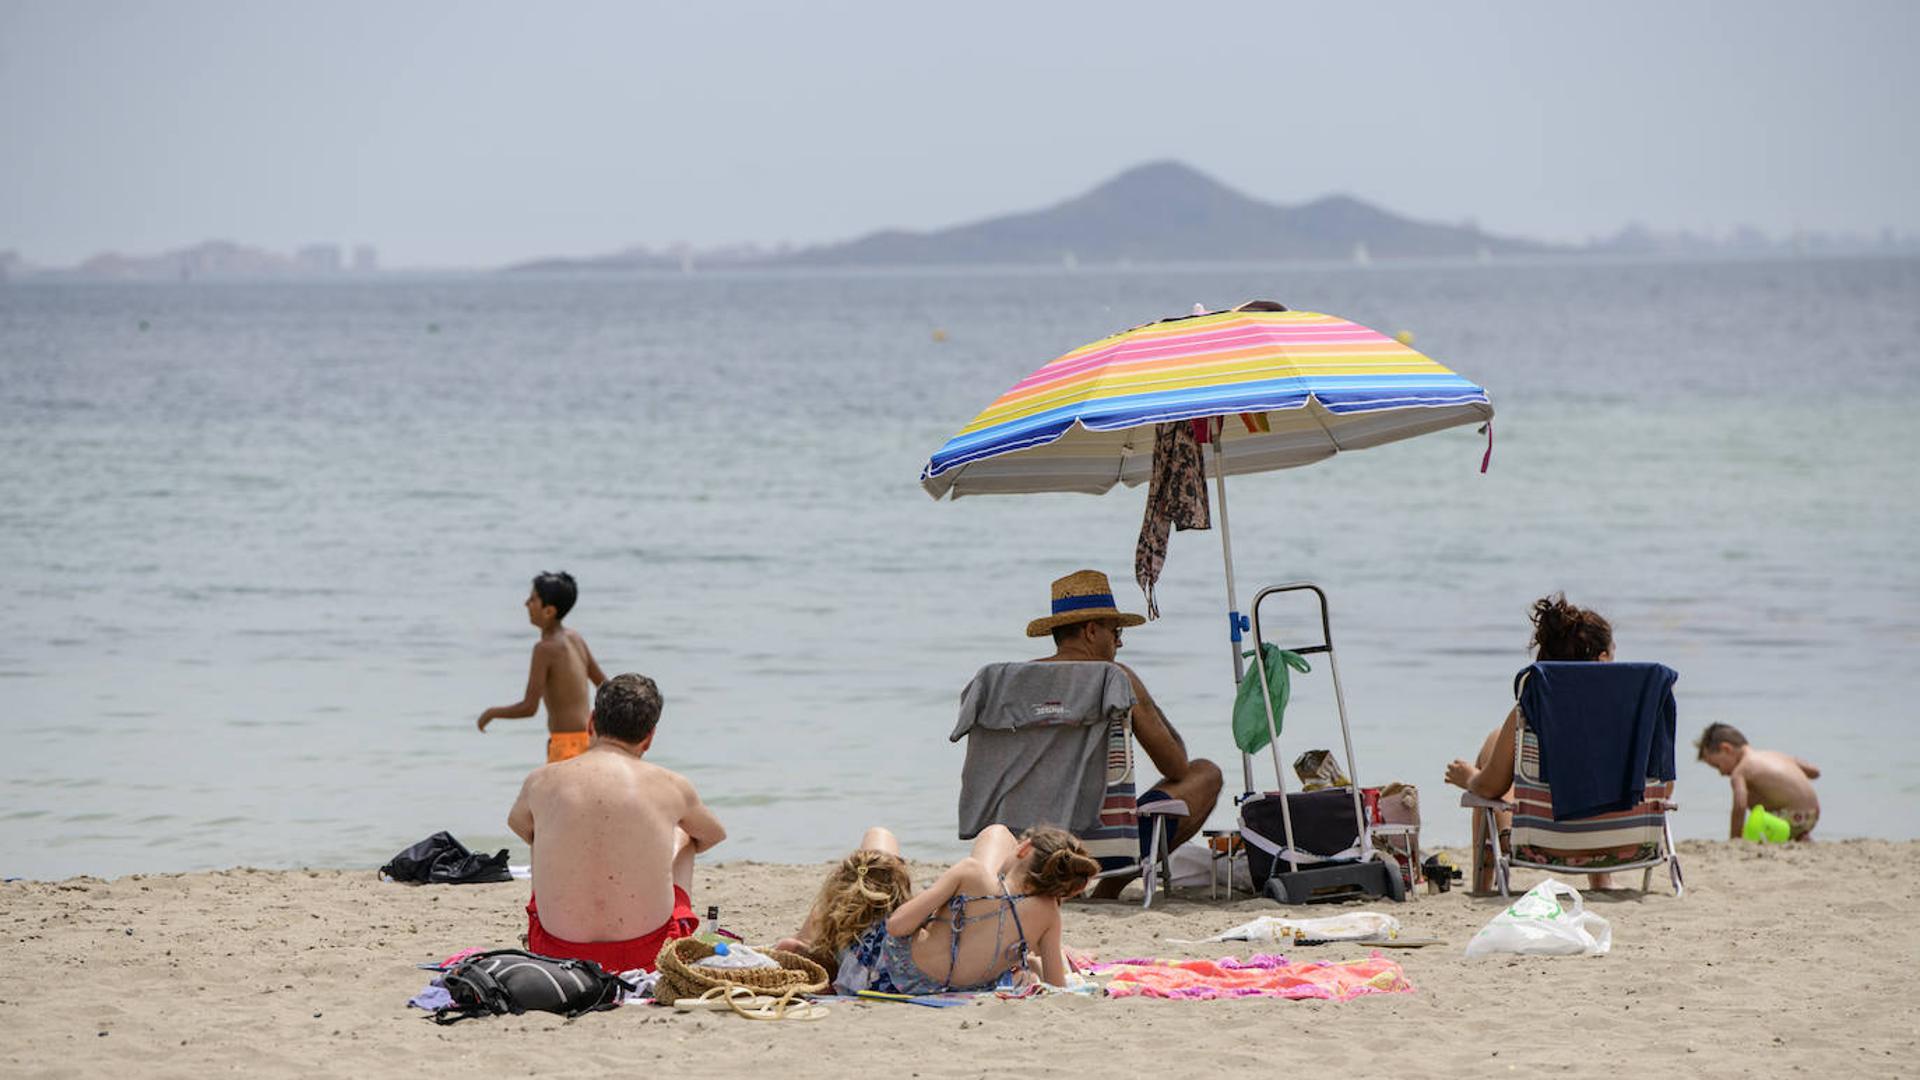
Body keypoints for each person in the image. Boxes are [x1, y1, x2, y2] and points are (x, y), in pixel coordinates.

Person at [506, 673, 726, 973]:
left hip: (556, 951)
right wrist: (668, 840)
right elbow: (712, 834)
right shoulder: (671, 785)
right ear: (649, 737)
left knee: (540, 831)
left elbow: (519, 825)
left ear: (591, 722)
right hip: (648, 954)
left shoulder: (542, 780)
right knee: (686, 835)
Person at [1031, 569, 1222, 899]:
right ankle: (1109, 886)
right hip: (1104, 845)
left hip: (1032, 842)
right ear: (1091, 631)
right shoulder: (1115, 679)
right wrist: (1142, 699)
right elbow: (1175, 766)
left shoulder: (1018, 683)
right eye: (1115, 631)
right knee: (1206, 773)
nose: (1119, 642)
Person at [776, 823, 1097, 993]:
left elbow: (897, 927)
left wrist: (934, 909)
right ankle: (813, 950)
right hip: (943, 985)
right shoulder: (1048, 913)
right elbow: (1058, 986)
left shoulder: (971, 872)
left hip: (885, 974)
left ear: (1023, 849)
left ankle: (806, 945)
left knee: (877, 841)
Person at [1443, 593, 1618, 892]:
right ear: (1602, 659)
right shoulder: (1631, 713)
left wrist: (1469, 777)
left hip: (1541, 843)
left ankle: (1483, 886)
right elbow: (1662, 790)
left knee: (1495, 741)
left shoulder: (1531, 710)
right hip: (1615, 843)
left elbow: (1489, 789)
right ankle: (1602, 879)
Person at [477, 571, 607, 763]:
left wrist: (492, 713)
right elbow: (605, 686)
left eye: (533, 599)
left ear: (549, 611)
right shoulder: (575, 638)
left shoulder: (544, 649)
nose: (526, 604)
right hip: (591, 740)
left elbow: (529, 707)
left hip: (566, 746)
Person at [1697, 722, 1820, 840]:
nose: (1721, 773)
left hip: (1790, 818)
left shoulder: (1740, 772)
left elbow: (1740, 806)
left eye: (1718, 766)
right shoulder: (1774, 755)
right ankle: (1800, 836)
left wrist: (1735, 839)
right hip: (1813, 814)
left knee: (1753, 825)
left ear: (1726, 749)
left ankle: (1791, 832)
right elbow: (1814, 772)